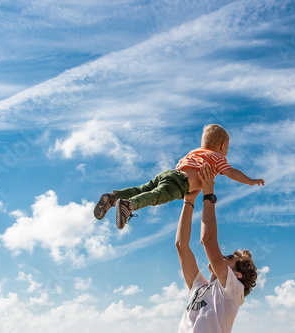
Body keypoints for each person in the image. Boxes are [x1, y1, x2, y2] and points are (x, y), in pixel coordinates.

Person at [94, 124, 265, 229]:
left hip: (170, 173)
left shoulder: (195, 152)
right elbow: (231, 172)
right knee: (156, 196)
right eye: (227, 149)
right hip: (180, 183)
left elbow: (181, 165)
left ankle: (114, 196)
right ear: (223, 146)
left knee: (142, 188)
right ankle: (129, 205)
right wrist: (250, 180)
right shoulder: (217, 157)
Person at [176, 163, 258, 333]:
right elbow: (181, 245)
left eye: (229, 257)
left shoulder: (233, 291)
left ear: (236, 275)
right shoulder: (199, 287)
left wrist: (208, 193)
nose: (222, 256)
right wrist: (189, 200)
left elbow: (208, 240)